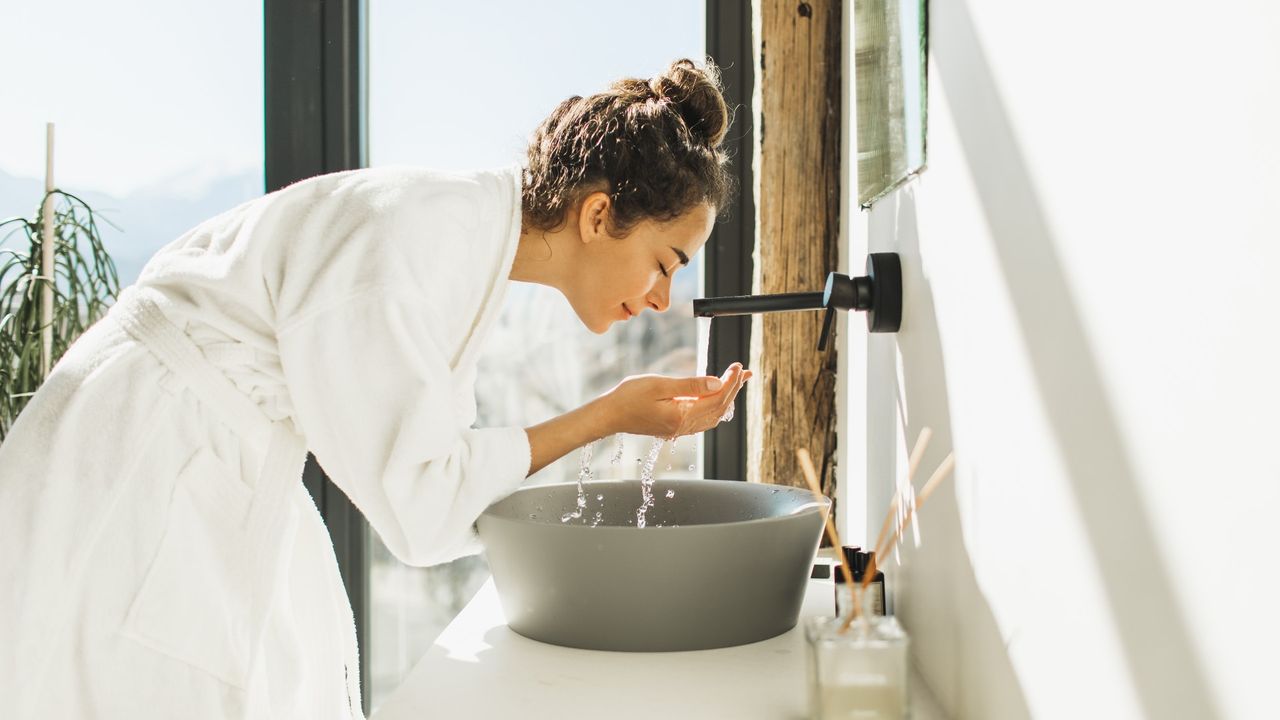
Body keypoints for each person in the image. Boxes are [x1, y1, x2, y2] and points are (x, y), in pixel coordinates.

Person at [0, 58, 750, 718]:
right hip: (142, 454)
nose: (664, 296)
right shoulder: (414, 242)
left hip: (198, 445)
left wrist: (610, 415)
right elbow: (423, 508)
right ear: (597, 215)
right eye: (667, 260)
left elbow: (437, 477)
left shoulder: (463, 245)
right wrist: (608, 415)